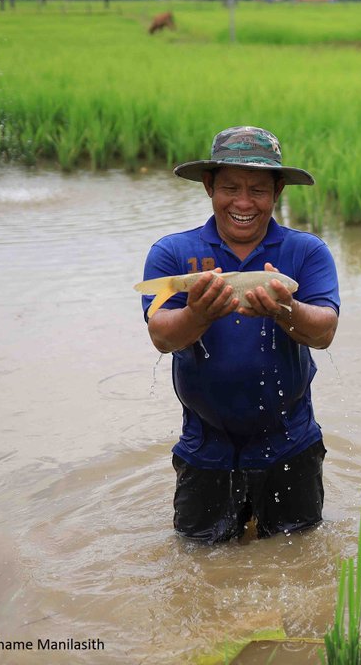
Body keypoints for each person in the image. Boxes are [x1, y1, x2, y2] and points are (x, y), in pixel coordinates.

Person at [140, 126, 339, 543]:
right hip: (205, 449)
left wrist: (286, 309)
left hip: (291, 445)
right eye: (230, 188)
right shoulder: (172, 253)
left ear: (277, 192)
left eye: (258, 190)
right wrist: (197, 314)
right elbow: (162, 337)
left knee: (297, 557)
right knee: (199, 565)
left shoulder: (307, 251)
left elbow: (324, 332)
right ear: (209, 186)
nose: (244, 202)